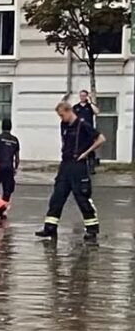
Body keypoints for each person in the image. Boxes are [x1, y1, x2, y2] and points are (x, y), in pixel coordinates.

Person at [36, 101, 106, 240]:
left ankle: (92, 230)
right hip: (65, 165)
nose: (61, 119)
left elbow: (101, 139)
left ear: (69, 111)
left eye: (62, 115)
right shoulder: (64, 125)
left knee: (82, 197)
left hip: (78, 165)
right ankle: (50, 228)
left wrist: (86, 153)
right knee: (57, 197)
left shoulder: (82, 125)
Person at [72, 90, 100, 174]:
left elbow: (97, 112)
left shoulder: (90, 107)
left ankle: (91, 167)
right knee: (79, 149)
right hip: (79, 132)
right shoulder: (76, 107)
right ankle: (80, 167)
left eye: (84, 95)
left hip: (89, 132)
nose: (82, 97)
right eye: (81, 95)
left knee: (91, 149)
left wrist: (91, 102)